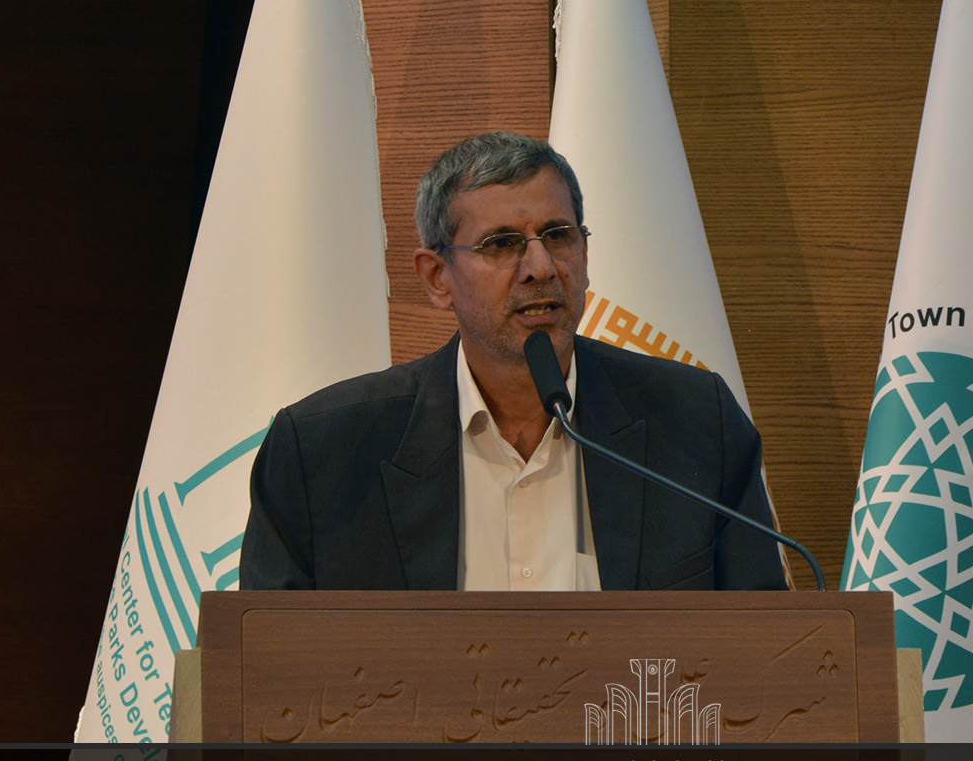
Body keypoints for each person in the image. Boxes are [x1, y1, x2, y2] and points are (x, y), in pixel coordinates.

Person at [240, 131, 788, 591]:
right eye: (501, 244)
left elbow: (764, 644)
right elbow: (266, 665)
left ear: (585, 252)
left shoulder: (696, 423)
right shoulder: (323, 453)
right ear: (437, 278)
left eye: (558, 235)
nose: (541, 267)